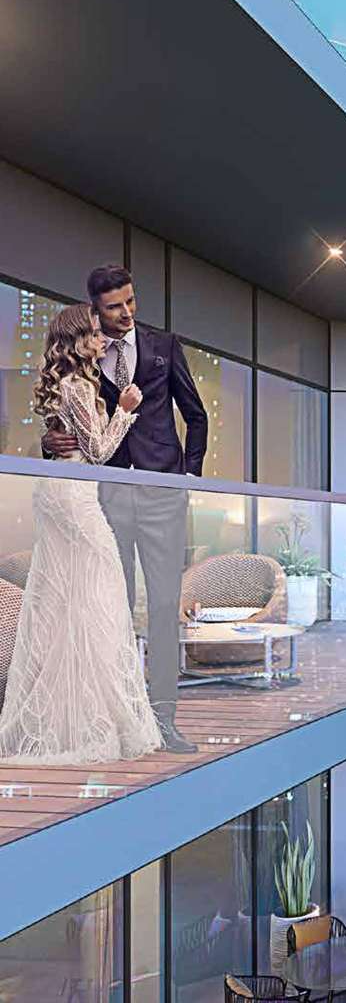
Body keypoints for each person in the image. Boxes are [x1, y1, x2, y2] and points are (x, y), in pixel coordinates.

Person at [40, 264, 206, 754]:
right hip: (104, 498)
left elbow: (195, 416)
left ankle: (165, 721)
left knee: (161, 609)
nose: (127, 313)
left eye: (131, 302)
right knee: (112, 609)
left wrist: (187, 477)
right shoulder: (85, 358)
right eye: (114, 307)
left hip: (162, 496)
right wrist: (50, 442)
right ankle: (123, 719)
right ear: (95, 309)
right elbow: (66, 421)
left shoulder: (165, 345)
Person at [0, 305, 163, 762]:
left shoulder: (73, 386)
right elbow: (98, 451)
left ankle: (73, 715)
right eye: (93, 333)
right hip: (72, 498)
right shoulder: (76, 386)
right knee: (100, 594)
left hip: (60, 494)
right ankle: (83, 720)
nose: (100, 340)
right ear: (77, 341)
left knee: (69, 600)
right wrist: (125, 411)